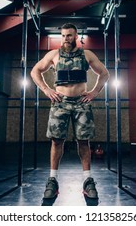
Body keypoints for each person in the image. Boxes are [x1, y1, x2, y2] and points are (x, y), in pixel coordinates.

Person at [30, 23, 110, 200]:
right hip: (60, 102)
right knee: (57, 142)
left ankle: (87, 181)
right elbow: (35, 71)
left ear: (76, 36)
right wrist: (46, 89)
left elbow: (104, 73)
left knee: (84, 142)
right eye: (64, 35)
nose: (66, 38)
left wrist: (94, 92)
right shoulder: (54, 55)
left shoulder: (86, 54)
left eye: (69, 35)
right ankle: (52, 180)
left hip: (81, 102)